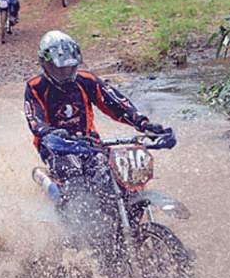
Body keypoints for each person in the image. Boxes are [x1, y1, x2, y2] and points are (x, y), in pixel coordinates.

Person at [24, 31, 168, 183]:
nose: (65, 73)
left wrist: (143, 124)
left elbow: (117, 104)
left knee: (109, 170)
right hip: (54, 145)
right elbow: (34, 119)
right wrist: (49, 133)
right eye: (59, 69)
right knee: (73, 175)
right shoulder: (36, 87)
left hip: (89, 141)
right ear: (45, 64)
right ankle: (67, 204)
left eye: (69, 68)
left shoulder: (87, 80)